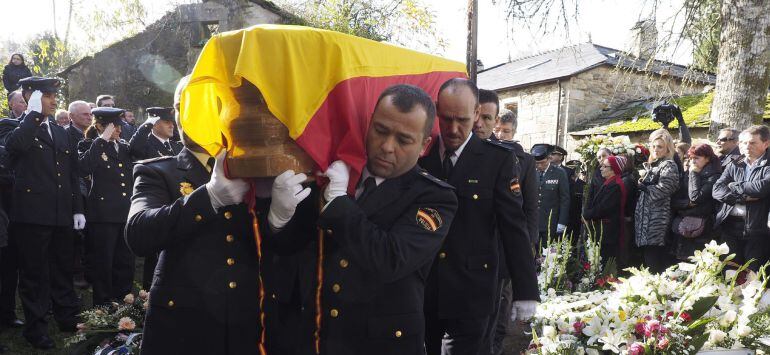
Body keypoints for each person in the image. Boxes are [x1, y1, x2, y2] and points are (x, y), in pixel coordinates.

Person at [125, 77, 261, 354]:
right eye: (179, 106)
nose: (184, 116)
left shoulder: (252, 169)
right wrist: (208, 197)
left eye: (200, 105)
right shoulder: (158, 171)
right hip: (184, 323)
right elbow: (138, 234)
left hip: (243, 319)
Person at [419, 78, 538, 355]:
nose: (453, 129)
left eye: (461, 119)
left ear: (475, 114)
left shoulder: (497, 160)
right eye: (446, 119)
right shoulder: (422, 156)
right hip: (426, 290)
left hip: (471, 292)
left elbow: (513, 226)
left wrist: (525, 290)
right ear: (437, 112)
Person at [5, 77, 83, 349]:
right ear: (29, 95)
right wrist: (34, 115)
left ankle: (66, 317)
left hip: (60, 213)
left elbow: (72, 174)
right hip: (32, 216)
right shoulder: (15, 126)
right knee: (34, 275)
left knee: (62, 269)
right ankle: (35, 328)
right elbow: (13, 150)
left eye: (54, 96)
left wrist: (77, 209)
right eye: (47, 96)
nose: (53, 101)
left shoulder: (61, 132)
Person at [474, 89, 537, 355]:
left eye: (492, 121)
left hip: (502, 247)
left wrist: (528, 247)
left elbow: (529, 210)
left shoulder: (521, 160)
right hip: (470, 249)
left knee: (497, 309)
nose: (495, 131)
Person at [77, 107, 134, 306]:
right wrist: (102, 138)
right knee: (103, 264)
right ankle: (102, 307)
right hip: (103, 216)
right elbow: (84, 167)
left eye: (119, 125)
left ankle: (125, 305)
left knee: (125, 263)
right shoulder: (88, 146)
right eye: (114, 126)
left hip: (125, 214)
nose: (119, 129)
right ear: (100, 126)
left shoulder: (125, 147)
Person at [713, 125, 770, 271]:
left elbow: (761, 187)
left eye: (752, 143)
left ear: (766, 143)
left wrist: (734, 185)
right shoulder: (735, 163)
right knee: (730, 273)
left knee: (753, 275)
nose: (746, 146)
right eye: (743, 143)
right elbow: (717, 189)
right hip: (730, 227)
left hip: (757, 230)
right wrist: (739, 198)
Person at [635, 128, 679, 273]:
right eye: (653, 146)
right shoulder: (654, 164)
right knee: (647, 257)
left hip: (657, 219)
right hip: (645, 218)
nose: (655, 149)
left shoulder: (668, 164)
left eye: (660, 146)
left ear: (667, 148)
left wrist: (646, 188)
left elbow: (666, 188)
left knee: (654, 258)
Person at [672, 143, 721, 261]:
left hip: (703, 226)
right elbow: (674, 199)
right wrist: (686, 204)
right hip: (683, 222)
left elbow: (695, 197)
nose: (693, 161)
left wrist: (694, 174)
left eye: (697, 158)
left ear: (707, 158)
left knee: (698, 262)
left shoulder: (714, 176)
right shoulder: (688, 173)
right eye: (691, 158)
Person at [583, 156, 629, 261]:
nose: (601, 168)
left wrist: (587, 214)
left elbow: (604, 208)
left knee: (605, 262)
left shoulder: (615, 185)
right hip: (603, 230)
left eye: (605, 166)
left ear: (613, 169)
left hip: (608, 232)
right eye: (601, 166)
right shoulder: (609, 182)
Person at [533, 143, 570, 241]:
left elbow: (565, 199)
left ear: (549, 158)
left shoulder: (559, 173)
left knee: (548, 253)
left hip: (551, 222)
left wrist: (562, 222)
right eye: (536, 163)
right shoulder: (531, 172)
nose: (539, 166)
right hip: (533, 222)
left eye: (542, 162)